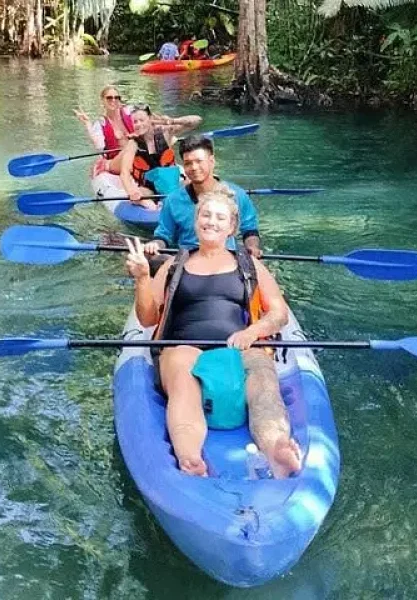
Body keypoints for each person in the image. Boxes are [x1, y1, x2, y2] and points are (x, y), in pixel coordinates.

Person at [125, 190, 302, 478]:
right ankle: (190, 457)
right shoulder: (174, 265)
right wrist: (143, 278)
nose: (211, 222)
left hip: (240, 345)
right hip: (182, 345)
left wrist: (254, 331)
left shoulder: (249, 264)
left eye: (220, 217)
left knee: (262, 377)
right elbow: (147, 317)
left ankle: (275, 447)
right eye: (206, 215)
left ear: (231, 227)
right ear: (196, 221)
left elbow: (279, 313)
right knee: (184, 378)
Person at [143, 134, 264, 258]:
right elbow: (164, 234)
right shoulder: (172, 200)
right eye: (188, 163)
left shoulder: (237, 195)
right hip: (187, 261)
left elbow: (250, 230)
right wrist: (155, 245)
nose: (194, 167)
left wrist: (252, 247)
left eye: (199, 161)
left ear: (211, 161)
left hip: (227, 259)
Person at [118, 104, 202, 211]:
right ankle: (149, 205)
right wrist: (132, 192)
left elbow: (196, 121)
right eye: (135, 122)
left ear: (150, 119)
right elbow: (124, 172)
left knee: (196, 181)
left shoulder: (165, 133)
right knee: (139, 192)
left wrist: (172, 121)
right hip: (149, 188)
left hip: (171, 184)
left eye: (142, 120)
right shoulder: (133, 143)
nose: (138, 124)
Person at [73, 85, 134, 176]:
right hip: (116, 161)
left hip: (136, 157)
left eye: (116, 97)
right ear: (103, 101)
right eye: (109, 98)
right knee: (131, 147)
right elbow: (99, 146)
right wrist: (87, 123)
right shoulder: (101, 124)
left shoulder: (130, 112)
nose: (113, 100)